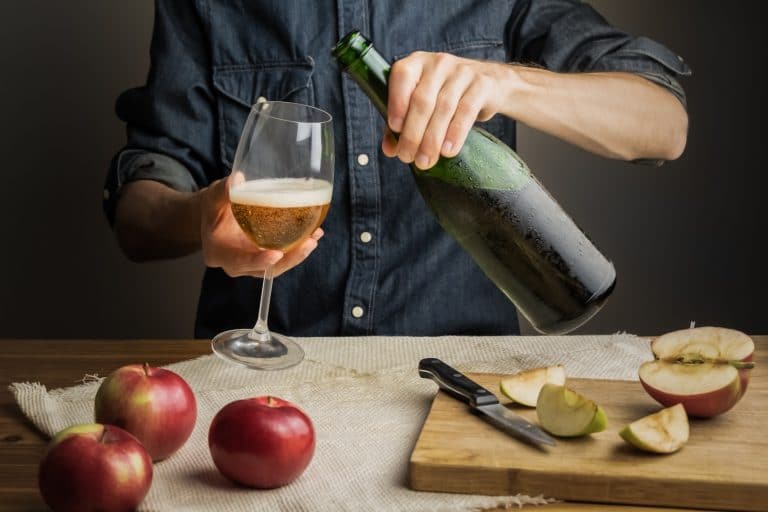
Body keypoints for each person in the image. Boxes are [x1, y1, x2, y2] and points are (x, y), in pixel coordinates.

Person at [104, 1, 689, 339]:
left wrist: (508, 80)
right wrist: (198, 216)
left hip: (461, 380)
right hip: (262, 386)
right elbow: (138, 216)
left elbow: (662, 124)